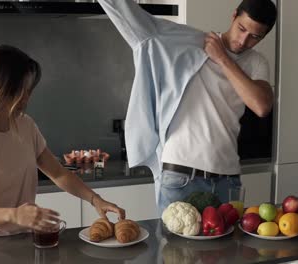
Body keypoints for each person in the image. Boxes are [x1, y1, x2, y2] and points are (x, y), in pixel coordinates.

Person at [97, 0, 277, 214]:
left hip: (227, 179)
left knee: (227, 248)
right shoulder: (191, 42)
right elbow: (131, 17)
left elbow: (262, 106)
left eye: (255, 37)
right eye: (241, 28)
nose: (243, 40)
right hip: (181, 175)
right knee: (175, 248)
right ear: (234, 15)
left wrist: (222, 59)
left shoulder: (256, 63)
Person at [0, 45, 125, 239]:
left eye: (28, 91)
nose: (27, 99)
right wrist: (14, 214)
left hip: (24, 239)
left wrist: (95, 200)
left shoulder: (25, 126)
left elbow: (59, 174)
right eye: (21, 91)